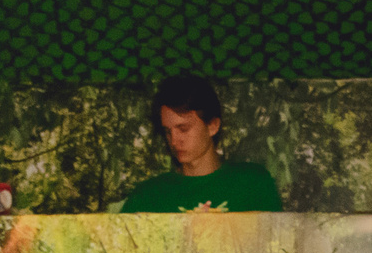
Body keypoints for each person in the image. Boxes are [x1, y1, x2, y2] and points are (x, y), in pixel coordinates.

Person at [118, 75, 284, 214]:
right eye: (167, 131)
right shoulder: (148, 196)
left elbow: (277, 247)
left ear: (213, 126)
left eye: (183, 129)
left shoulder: (253, 185)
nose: (174, 141)